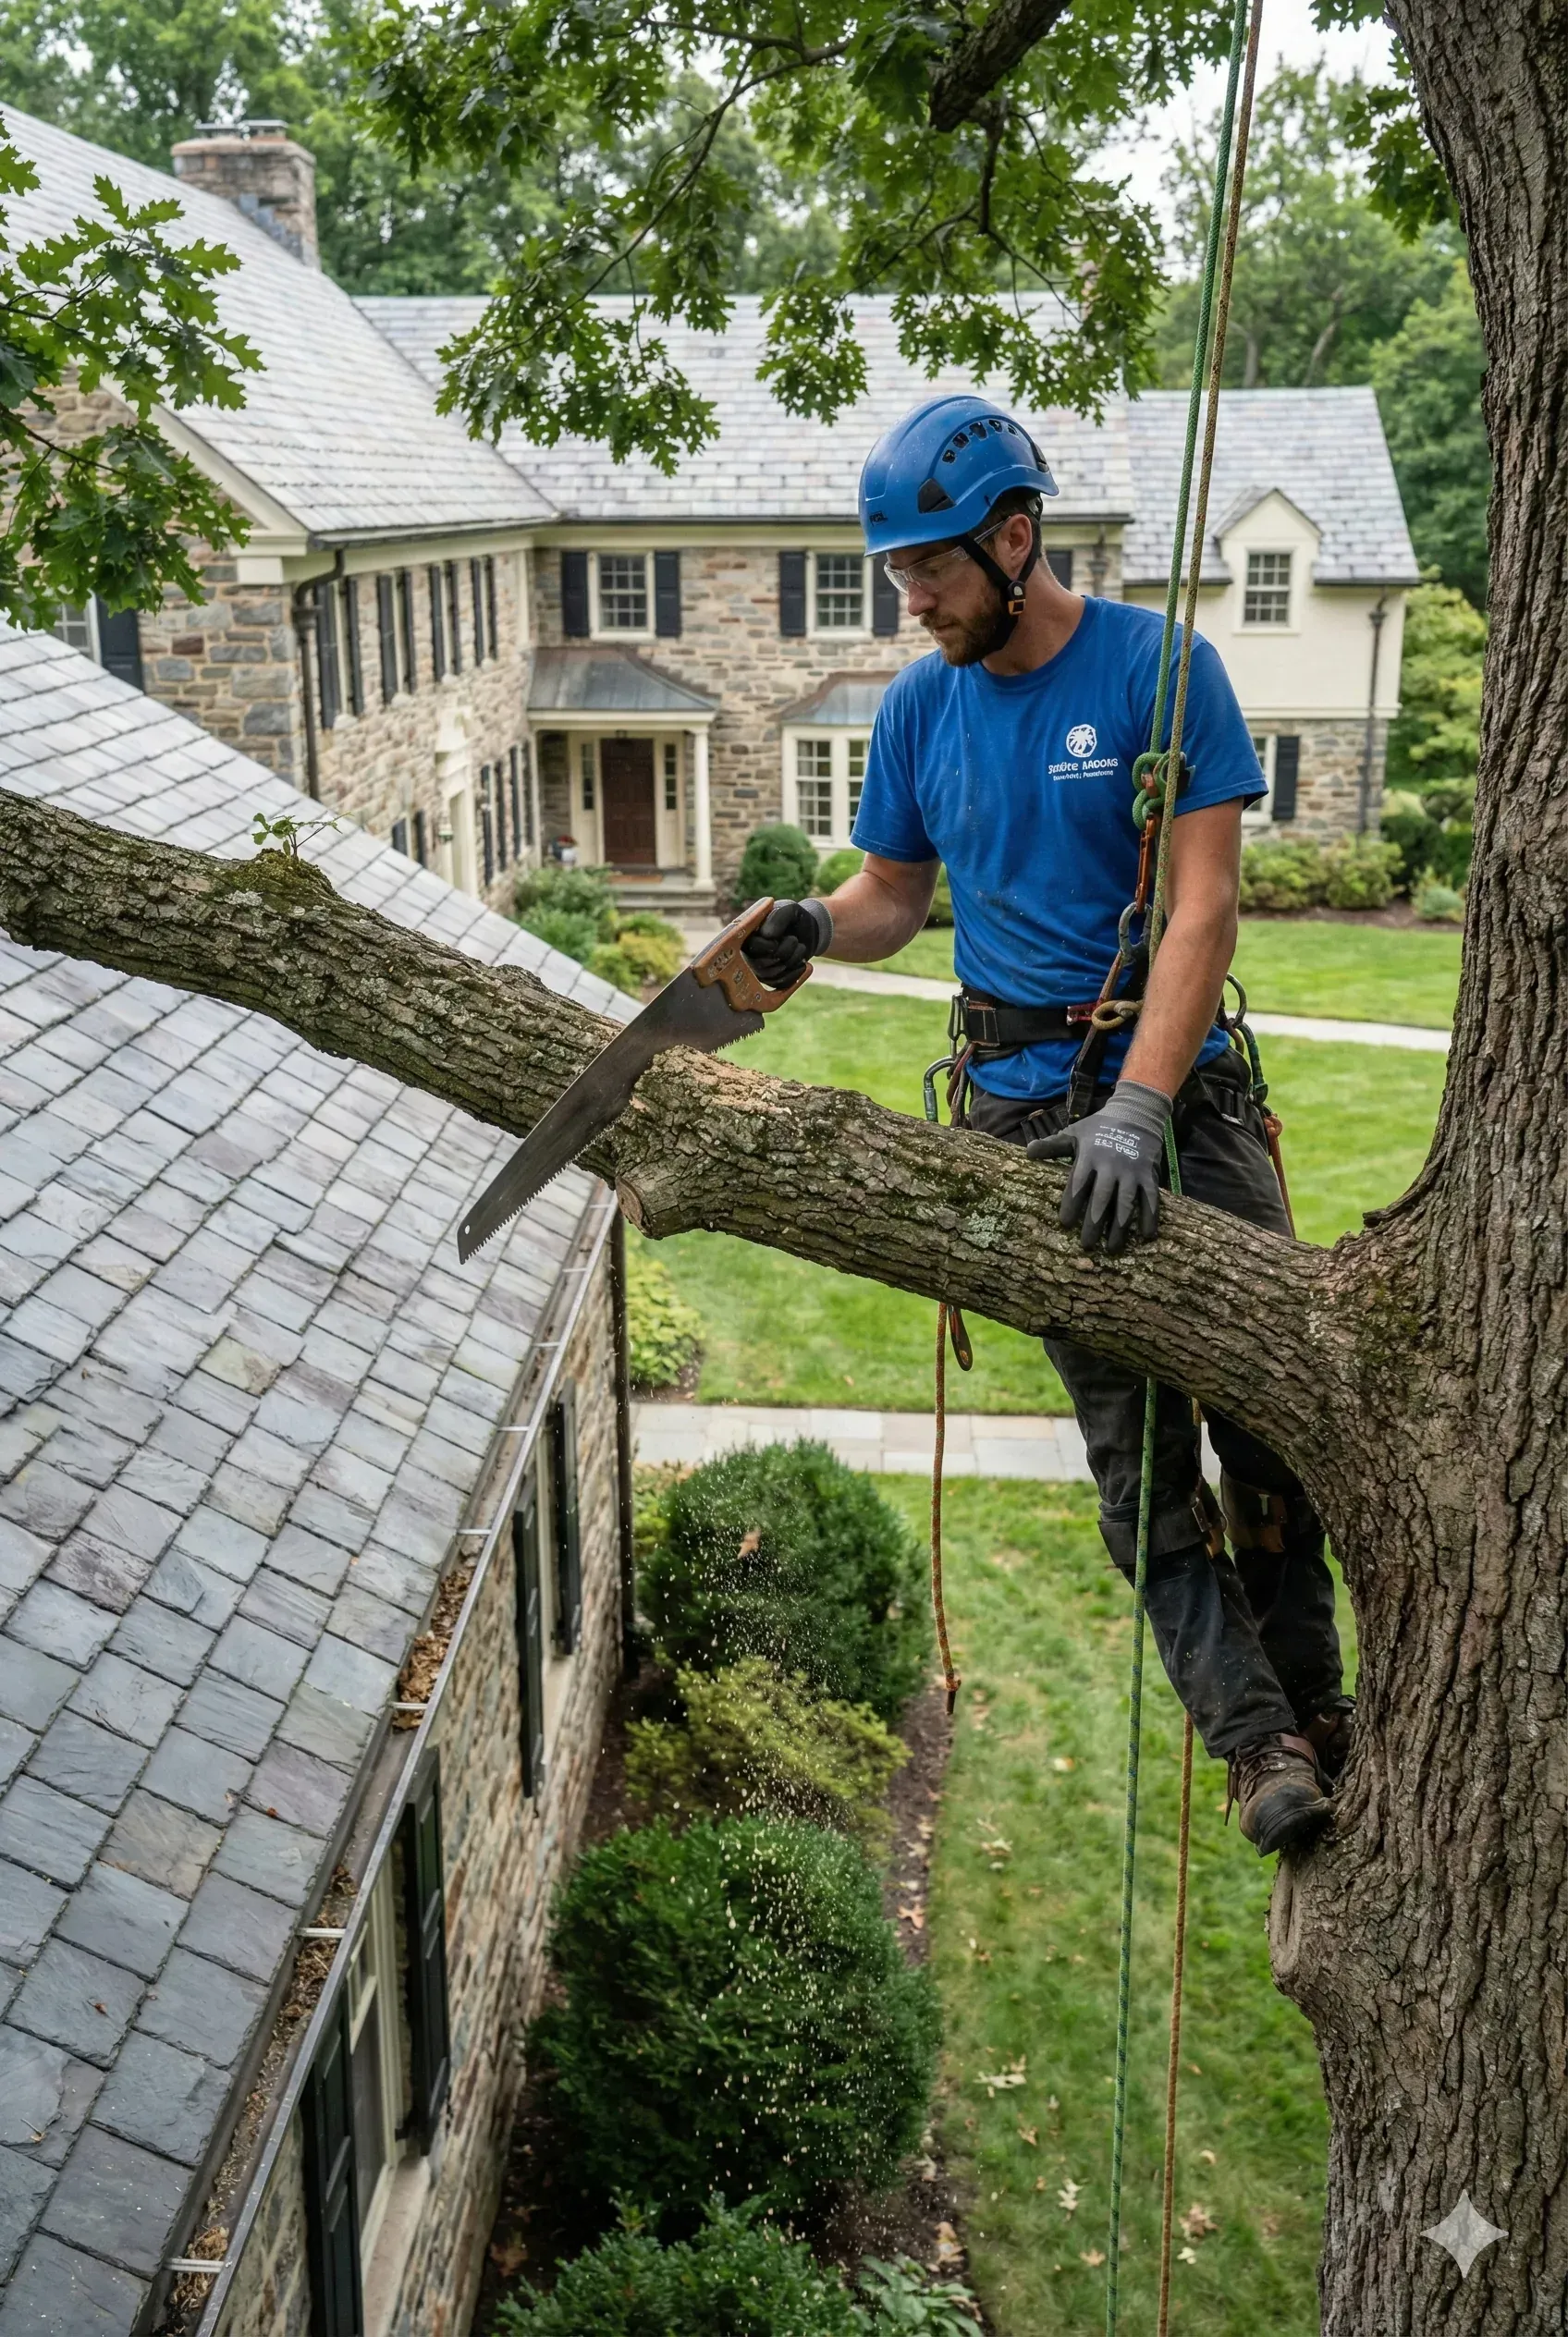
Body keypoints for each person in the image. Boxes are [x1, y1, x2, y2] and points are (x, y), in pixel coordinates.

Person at [743, 394, 1353, 1856]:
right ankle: (1257, 1743)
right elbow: (899, 895)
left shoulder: (1161, 675)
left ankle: (1326, 1712)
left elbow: (1204, 906)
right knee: (1139, 1466)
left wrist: (1143, 1105)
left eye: (932, 568)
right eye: (899, 572)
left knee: (1271, 1428)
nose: (913, 596)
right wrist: (819, 922)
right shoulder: (919, 706)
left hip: (1177, 1099)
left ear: (1017, 537)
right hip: (1019, 1119)